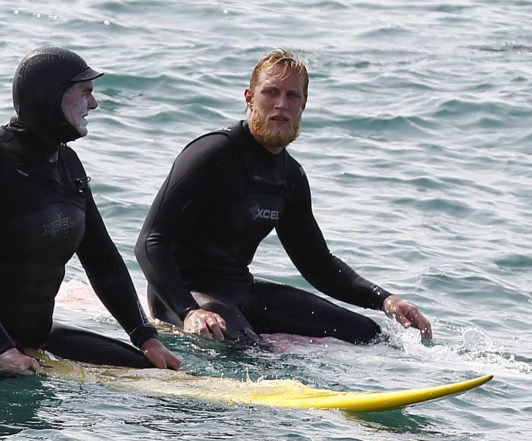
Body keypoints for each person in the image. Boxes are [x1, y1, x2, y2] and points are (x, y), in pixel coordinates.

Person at [135, 48, 432, 348]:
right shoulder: (212, 154)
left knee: (370, 335)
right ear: (249, 98)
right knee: (255, 353)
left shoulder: (290, 177)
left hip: (240, 292)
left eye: (292, 96)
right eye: (271, 93)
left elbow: (317, 264)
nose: (281, 104)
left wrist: (385, 300)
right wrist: (188, 311)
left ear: (303, 105)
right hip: (182, 295)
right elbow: (149, 242)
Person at [0, 46, 181, 374]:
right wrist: (2, 349)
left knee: (154, 371)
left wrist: (146, 338)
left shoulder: (68, 165)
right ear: (49, 97)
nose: (94, 104)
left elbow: (102, 260)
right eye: (84, 93)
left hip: (29, 338)